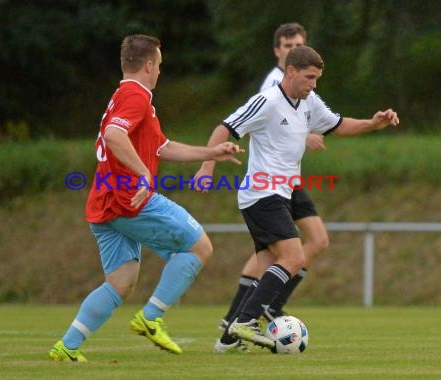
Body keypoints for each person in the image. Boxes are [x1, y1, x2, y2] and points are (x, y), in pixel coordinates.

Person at [48, 34, 242, 362]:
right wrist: (143, 173)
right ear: (149, 65)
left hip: (104, 200)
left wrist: (211, 152)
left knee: (121, 282)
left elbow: (162, 147)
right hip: (129, 197)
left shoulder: (126, 96)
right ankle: (151, 318)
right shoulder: (136, 96)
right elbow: (114, 135)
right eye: (160, 66)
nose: (160, 73)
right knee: (199, 247)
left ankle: (67, 346)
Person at [195, 45, 399, 350]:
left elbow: (338, 125)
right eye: (309, 77)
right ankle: (246, 321)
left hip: (282, 194)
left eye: (316, 78)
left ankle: (227, 339)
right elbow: (224, 128)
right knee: (294, 257)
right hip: (262, 194)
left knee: (268, 264)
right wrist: (206, 166)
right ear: (291, 72)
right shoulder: (267, 101)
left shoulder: (308, 101)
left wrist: (373, 123)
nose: (314, 83)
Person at [215, 23, 330, 335]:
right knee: (275, 254)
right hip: (269, 182)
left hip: (290, 181)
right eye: (288, 45)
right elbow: (260, 121)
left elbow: (311, 118)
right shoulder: (273, 86)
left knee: (314, 242)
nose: (294, 48)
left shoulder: (306, 83)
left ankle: (263, 306)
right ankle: (246, 313)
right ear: (278, 51)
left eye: (299, 43)